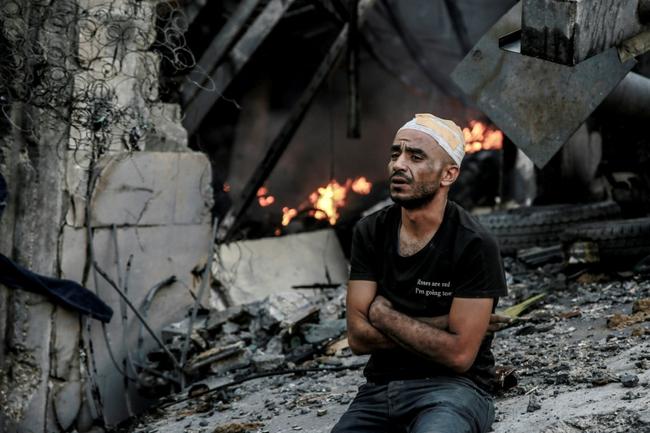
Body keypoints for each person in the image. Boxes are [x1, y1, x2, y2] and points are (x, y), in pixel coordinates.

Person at [331, 113, 509, 433]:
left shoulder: (475, 244)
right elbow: (358, 338)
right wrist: (442, 325)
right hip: (378, 391)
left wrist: (383, 316)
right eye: (395, 154)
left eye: (415, 156)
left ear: (448, 175)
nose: (399, 164)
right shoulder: (370, 231)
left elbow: (458, 355)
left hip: (454, 390)